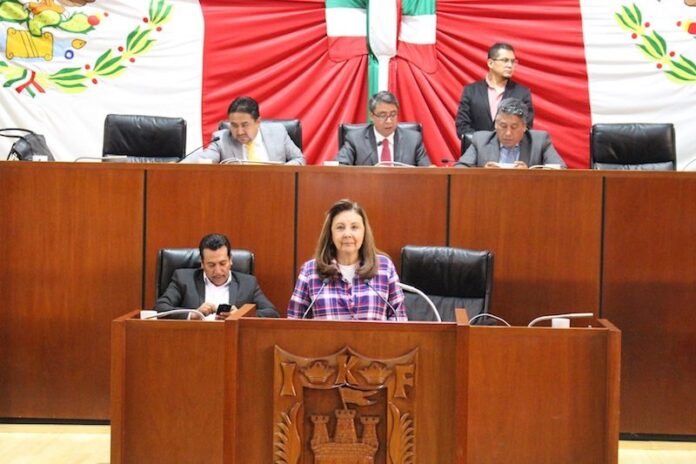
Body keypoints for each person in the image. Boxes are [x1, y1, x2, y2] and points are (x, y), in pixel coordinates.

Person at [287, 199, 408, 321]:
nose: (347, 234)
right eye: (340, 228)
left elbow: (400, 320)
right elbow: (294, 323)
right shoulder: (310, 271)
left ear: (364, 233)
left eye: (354, 227)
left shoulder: (384, 267)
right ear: (330, 235)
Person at [155, 233, 279, 319]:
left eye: (222, 263)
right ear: (202, 263)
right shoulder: (183, 279)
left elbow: (272, 313)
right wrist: (193, 314)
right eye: (211, 265)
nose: (218, 271)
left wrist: (240, 315)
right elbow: (160, 308)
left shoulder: (248, 284)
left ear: (230, 260)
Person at [455, 43, 534, 153]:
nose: (510, 65)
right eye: (505, 60)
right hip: (477, 154)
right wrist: (486, 145)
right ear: (490, 63)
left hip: (510, 155)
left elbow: (525, 126)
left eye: (513, 61)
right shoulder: (471, 91)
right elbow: (462, 127)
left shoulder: (522, 93)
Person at [181, 96, 305, 165]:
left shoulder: (278, 133)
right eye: (234, 125)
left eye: (245, 125)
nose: (239, 132)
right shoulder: (222, 139)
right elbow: (204, 158)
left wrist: (282, 171)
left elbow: (299, 159)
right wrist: (179, 165)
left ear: (258, 122)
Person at [455, 98, 565, 168]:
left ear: (524, 127)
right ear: (496, 124)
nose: (508, 133)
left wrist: (530, 174)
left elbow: (560, 168)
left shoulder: (540, 141)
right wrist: (484, 173)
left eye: (514, 127)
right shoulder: (480, 140)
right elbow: (460, 169)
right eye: (503, 126)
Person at [336, 91, 431, 166]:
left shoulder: (413, 139)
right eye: (383, 115)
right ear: (372, 116)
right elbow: (340, 168)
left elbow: (427, 173)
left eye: (393, 114)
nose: (389, 121)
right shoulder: (355, 139)